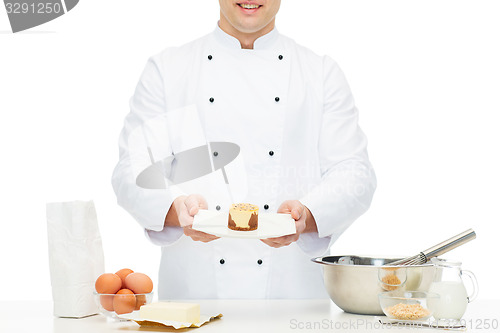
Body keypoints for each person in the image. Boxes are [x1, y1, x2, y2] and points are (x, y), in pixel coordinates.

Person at [112, 0, 376, 299]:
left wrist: (308, 215)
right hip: (195, 298)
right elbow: (131, 171)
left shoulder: (320, 73)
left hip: (291, 298)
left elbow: (355, 174)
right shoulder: (168, 69)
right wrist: (178, 210)